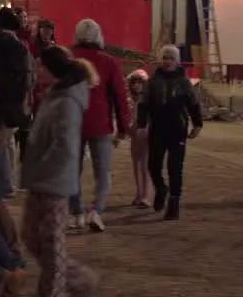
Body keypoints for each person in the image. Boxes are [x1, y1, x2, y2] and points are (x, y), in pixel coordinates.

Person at [21, 46, 98, 296]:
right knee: (31, 237)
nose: (36, 70)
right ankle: (79, 279)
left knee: (52, 245)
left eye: (40, 65)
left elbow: (64, 144)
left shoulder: (67, 101)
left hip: (54, 181)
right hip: (39, 178)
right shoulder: (52, 94)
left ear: (51, 68)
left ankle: (53, 291)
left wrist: (44, 167)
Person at [67, 18, 130, 232]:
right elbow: (120, 96)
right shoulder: (109, 62)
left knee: (72, 170)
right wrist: (123, 127)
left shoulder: (68, 58)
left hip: (72, 121)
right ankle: (96, 211)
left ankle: (76, 212)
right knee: (102, 171)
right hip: (100, 122)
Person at [138, 44, 203, 220]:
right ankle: (161, 189)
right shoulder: (152, 82)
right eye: (164, 58)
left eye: (171, 58)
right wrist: (141, 124)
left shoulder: (184, 82)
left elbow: (194, 104)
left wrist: (197, 124)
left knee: (175, 168)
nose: (167, 61)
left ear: (177, 61)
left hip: (177, 130)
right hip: (157, 129)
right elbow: (143, 103)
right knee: (153, 165)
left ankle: (174, 204)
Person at [0, 7, 36, 198]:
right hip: (15, 100)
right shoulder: (18, 45)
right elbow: (28, 75)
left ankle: (3, 183)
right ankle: (7, 182)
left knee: (1, 144)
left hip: (0, 99)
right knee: (6, 143)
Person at [126, 69, 151, 208]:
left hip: (146, 132)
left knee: (145, 165)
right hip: (134, 133)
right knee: (136, 163)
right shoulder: (130, 99)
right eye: (134, 82)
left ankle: (147, 195)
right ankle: (139, 192)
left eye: (139, 82)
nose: (136, 85)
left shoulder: (148, 99)